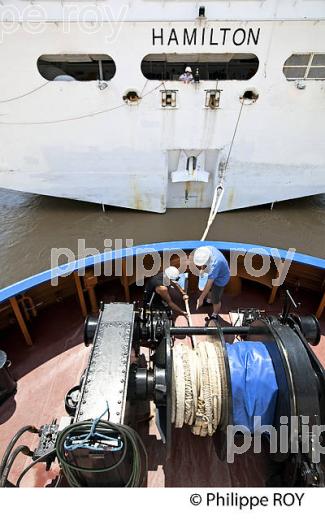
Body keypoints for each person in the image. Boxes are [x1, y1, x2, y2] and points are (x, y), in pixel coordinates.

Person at [193, 246, 230, 321]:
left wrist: (201, 298)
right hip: (214, 273)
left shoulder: (215, 265)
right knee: (210, 291)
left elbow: (209, 284)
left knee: (215, 298)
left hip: (221, 279)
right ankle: (209, 301)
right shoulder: (207, 249)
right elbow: (205, 260)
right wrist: (202, 268)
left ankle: (215, 315)